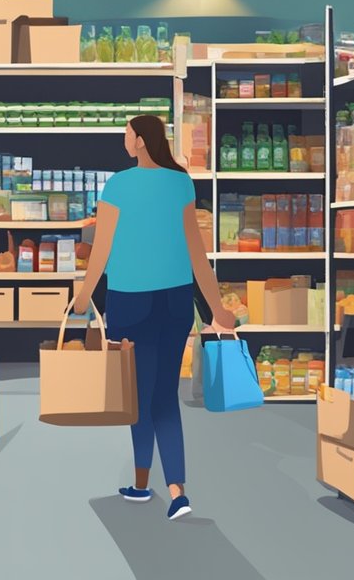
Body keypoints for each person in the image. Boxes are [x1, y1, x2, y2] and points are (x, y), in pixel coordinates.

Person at [72, 114, 235, 520]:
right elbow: (197, 255)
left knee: (138, 398)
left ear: (141, 140)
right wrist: (218, 309)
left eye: (127, 135)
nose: (125, 141)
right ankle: (177, 489)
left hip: (131, 302)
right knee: (165, 396)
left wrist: (84, 294)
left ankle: (142, 483)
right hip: (175, 302)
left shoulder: (118, 185)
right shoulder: (180, 183)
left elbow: (102, 249)